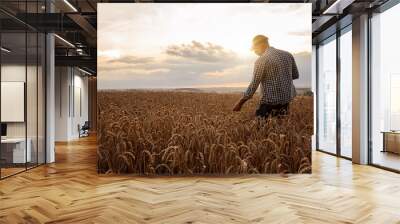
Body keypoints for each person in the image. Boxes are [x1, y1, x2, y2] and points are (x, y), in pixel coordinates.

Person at [233, 35, 299, 118]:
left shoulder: (261, 60)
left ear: (261, 45)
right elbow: (295, 75)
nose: (255, 52)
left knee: (260, 129)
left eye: (255, 49)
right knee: (280, 128)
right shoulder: (288, 55)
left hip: (269, 104)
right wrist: (281, 77)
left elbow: (254, 85)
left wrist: (240, 103)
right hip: (286, 101)